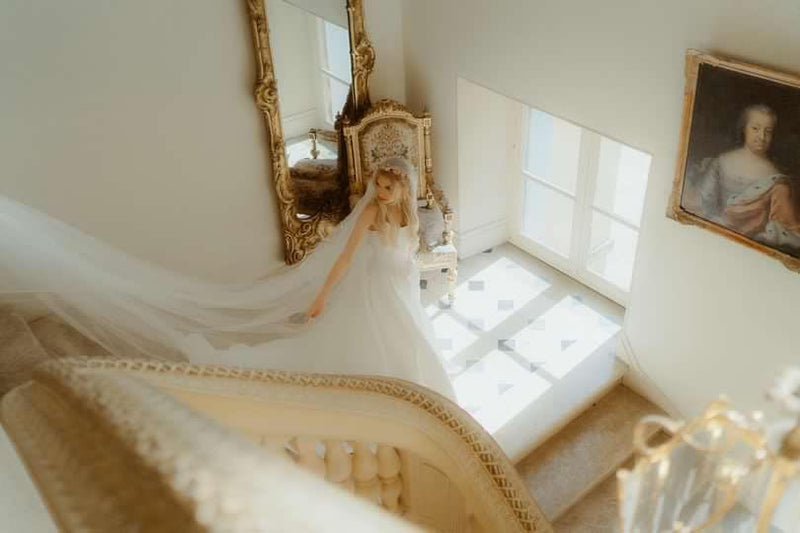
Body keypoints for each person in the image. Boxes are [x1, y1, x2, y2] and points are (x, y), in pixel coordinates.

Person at [0, 158, 456, 400]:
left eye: (388, 188)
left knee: (407, 346)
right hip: (372, 297)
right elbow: (344, 261)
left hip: (397, 294)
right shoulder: (372, 214)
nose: (379, 192)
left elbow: (411, 255)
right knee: (362, 351)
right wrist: (320, 299)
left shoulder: (412, 219)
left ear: (405, 189)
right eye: (378, 186)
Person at [684, 104, 800, 255]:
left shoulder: (777, 180)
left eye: (768, 131)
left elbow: (785, 228)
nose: (762, 137)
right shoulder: (722, 161)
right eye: (755, 128)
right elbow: (703, 201)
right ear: (744, 128)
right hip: (712, 238)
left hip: (750, 251)